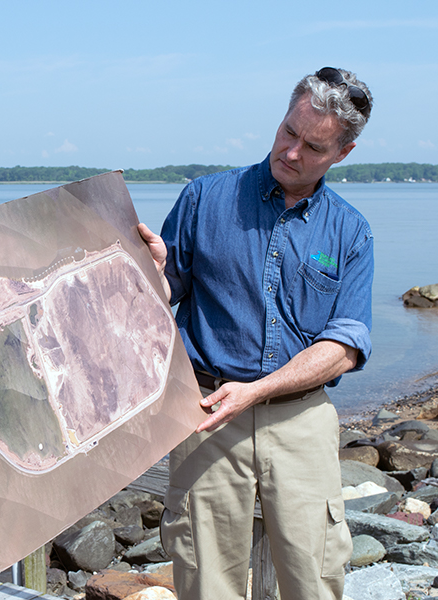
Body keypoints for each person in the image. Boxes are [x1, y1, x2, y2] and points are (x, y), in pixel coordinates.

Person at [138, 67, 374, 600]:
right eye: (289, 131)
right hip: (203, 413)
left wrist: (259, 390)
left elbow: (344, 347)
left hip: (301, 422)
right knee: (205, 578)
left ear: (343, 152)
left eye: (313, 145)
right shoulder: (204, 197)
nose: (291, 152)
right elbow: (159, 297)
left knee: (312, 576)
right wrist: (150, 272)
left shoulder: (351, 230)